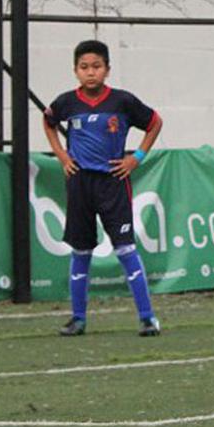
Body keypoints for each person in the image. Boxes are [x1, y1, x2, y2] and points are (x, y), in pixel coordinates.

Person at [43, 40, 164, 337]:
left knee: (125, 248)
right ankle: (78, 318)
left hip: (112, 182)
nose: (90, 73)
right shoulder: (67, 103)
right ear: (75, 71)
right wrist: (62, 156)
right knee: (81, 249)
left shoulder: (122, 101)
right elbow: (48, 120)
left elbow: (155, 122)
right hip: (80, 184)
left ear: (107, 70)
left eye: (96, 66)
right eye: (84, 67)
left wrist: (135, 158)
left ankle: (147, 318)